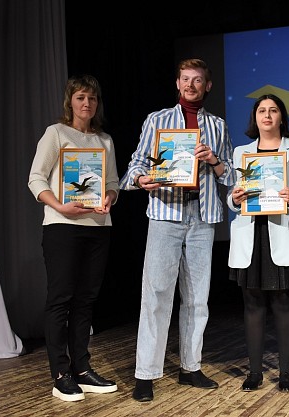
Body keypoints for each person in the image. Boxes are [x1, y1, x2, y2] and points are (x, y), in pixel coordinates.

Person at [120, 58, 235, 402]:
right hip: (165, 212)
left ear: (207, 85)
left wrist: (214, 160)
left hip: (202, 215)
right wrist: (142, 179)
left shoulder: (217, 126)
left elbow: (230, 175)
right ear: (177, 83)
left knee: (198, 297)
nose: (190, 85)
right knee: (156, 294)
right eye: (185, 79)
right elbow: (136, 165)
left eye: (197, 80)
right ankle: (146, 374)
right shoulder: (157, 120)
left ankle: (190, 366)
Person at [28, 74, 119, 402]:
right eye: (81, 97)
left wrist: (109, 197)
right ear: (71, 101)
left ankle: (82, 369)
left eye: (92, 98)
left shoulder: (104, 140)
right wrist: (59, 205)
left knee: (86, 300)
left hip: (98, 227)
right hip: (62, 226)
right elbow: (35, 178)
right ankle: (61, 375)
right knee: (61, 299)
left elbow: (113, 182)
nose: (87, 104)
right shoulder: (56, 133)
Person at [227, 94, 289, 393]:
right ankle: (255, 372)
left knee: (284, 303)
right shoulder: (241, 152)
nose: (267, 115)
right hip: (251, 234)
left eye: (274, 110)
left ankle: (286, 372)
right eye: (262, 110)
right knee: (253, 304)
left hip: (283, 232)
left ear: (282, 117)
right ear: (255, 117)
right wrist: (234, 199)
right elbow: (233, 197)